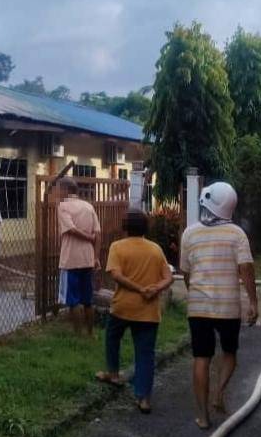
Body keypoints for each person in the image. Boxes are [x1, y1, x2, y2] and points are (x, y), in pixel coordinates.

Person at [179, 181, 258, 430]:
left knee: (201, 358)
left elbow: (186, 273)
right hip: (228, 307)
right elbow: (246, 269)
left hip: (198, 307)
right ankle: (219, 392)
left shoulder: (189, 233)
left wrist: (195, 293)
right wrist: (253, 302)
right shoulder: (237, 234)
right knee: (230, 353)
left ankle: (203, 417)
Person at [96, 210, 174, 413]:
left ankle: (113, 373)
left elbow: (116, 275)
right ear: (146, 227)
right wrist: (155, 289)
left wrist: (138, 289)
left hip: (122, 307)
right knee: (145, 353)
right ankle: (144, 398)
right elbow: (168, 277)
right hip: (149, 311)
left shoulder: (117, 247)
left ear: (125, 227)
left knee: (112, 338)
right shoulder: (155, 249)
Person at [56, 177, 101, 335]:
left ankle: (78, 334)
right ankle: (90, 333)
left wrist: (88, 237)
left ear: (66, 190)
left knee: (73, 301)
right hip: (87, 259)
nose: (57, 193)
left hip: (70, 260)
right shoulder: (88, 207)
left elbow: (71, 229)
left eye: (59, 189)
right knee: (88, 300)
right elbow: (98, 233)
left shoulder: (63, 207)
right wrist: (96, 257)